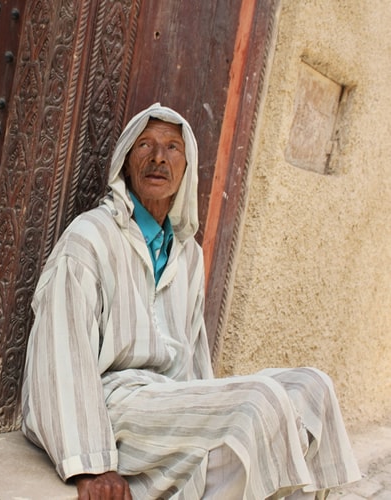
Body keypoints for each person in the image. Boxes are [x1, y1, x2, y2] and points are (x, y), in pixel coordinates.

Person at [21, 103, 361, 499]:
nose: (158, 157)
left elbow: (194, 356)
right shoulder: (90, 237)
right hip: (116, 405)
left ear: (185, 168)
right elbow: (62, 352)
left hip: (170, 400)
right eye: (144, 145)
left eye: (172, 148)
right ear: (126, 164)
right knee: (259, 400)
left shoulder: (188, 254)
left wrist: (209, 409)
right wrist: (91, 464)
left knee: (312, 386)